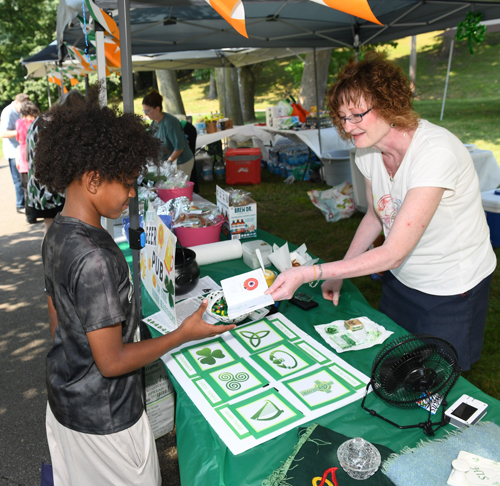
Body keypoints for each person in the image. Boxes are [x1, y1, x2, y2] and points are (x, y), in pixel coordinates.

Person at [35, 94, 235, 486]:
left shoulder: (57, 231)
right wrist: (182, 334)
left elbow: (56, 318)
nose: (130, 193)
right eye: (126, 182)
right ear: (93, 179)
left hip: (65, 401)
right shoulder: (96, 258)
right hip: (108, 423)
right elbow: (111, 363)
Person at [267, 53, 496, 372]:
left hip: (451, 287)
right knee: (396, 365)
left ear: (390, 104)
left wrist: (312, 273)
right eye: (343, 117)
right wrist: (343, 270)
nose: (348, 126)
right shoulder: (369, 151)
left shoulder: (435, 153)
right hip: (403, 281)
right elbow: (377, 215)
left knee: (436, 378)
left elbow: (394, 253)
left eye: (358, 114)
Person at [26, 90, 84, 234]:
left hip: (37, 186)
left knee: (49, 228)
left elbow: (28, 151)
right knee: (65, 229)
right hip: (54, 189)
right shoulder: (58, 125)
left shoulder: (38, 121)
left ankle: (49, 256)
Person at [142, 90, 195, 178]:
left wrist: (168, 163)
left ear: (157, 109)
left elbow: (179, 148)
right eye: (144, 111)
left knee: (179, 190)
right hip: (169, 162)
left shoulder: (170, 123)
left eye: (147, 111)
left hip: (182, 162)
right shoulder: (154, 123)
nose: (146, 114)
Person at [0, 93, 29, 213]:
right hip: (13, 151)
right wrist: (21, 131)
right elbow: (3, 133)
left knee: (24, 180)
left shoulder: (20, 111)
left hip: (22, 150)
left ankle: (25, 204)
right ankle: (20, 205)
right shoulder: (8, 112)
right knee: (18, 181)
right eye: (23, 105)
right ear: (16, 102)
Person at [15, 100, 41, 224]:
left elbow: (19, 139)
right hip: (35, 156)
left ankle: (30, 215)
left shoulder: (18, 123)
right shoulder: (38, 123)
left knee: (26, 189)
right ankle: (38, 210)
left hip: (23, 156)